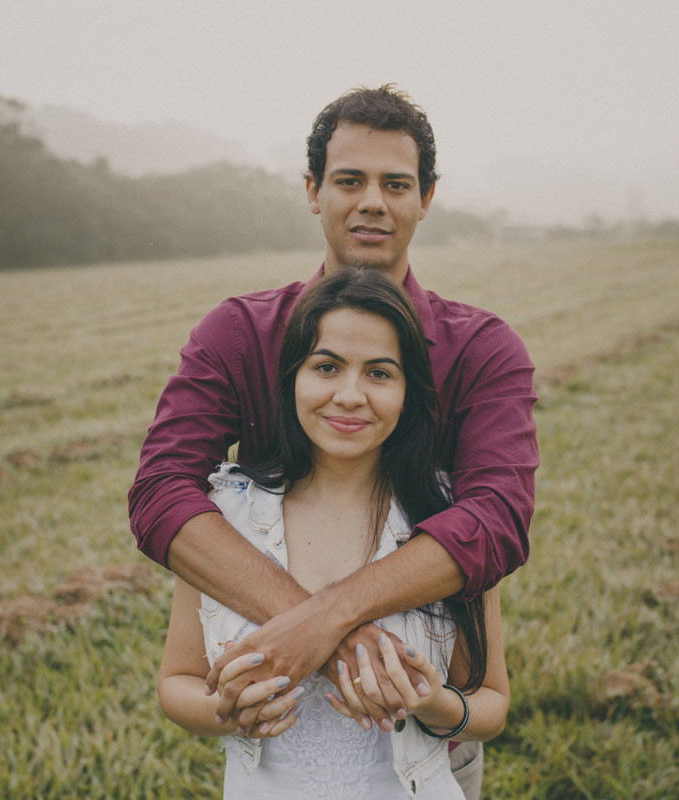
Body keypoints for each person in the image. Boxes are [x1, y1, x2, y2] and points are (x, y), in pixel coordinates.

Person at [129, 84, 537, 795]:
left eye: (396, 184)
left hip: (426, 748)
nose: (372, 201)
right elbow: (162, 492)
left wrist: (328, 620)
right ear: (313, 190)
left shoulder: (483, 349)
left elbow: (495, 520)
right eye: (349, 180)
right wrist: (321, 632)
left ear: (426, 198)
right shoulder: (239, 333)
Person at [157, 268, 510, 798]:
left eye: (379, 373)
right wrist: (224, 709)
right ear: (291, 380)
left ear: (408, 393)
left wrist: (433, 703)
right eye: (326, 367)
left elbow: (492, 703)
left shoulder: (449, 519)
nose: (349, 395)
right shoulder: (223, 516)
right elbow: (176, 681)